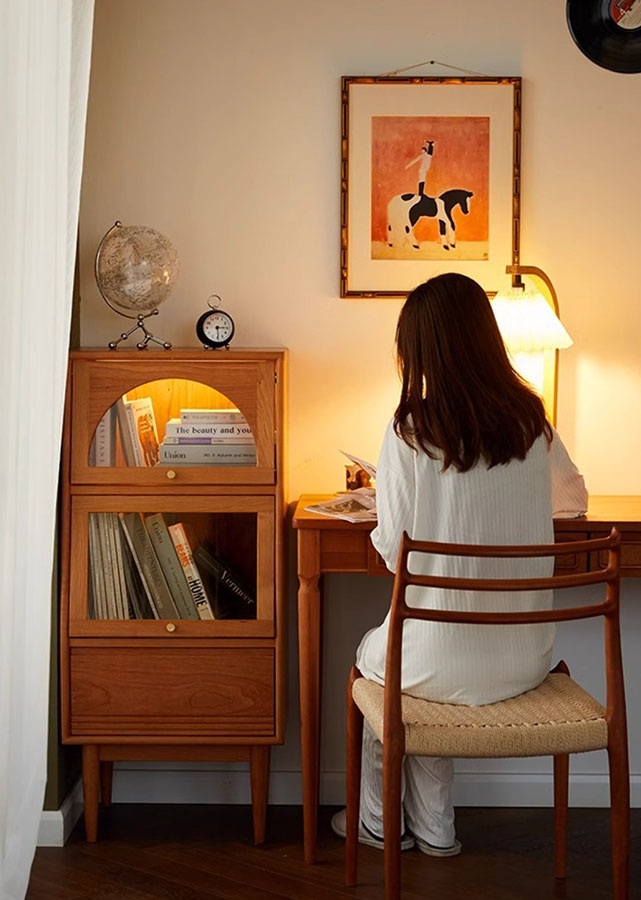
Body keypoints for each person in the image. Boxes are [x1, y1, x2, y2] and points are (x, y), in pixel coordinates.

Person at [331, 272, 587, 858]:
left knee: (386, 662)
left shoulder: (410, 431)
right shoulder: (531, 422)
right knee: (424, 658)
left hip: (438, 661)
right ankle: (436, 829)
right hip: (524, 661)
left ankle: (378, 822)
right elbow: (573, 502)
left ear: (419, 351)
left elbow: (398, 554)